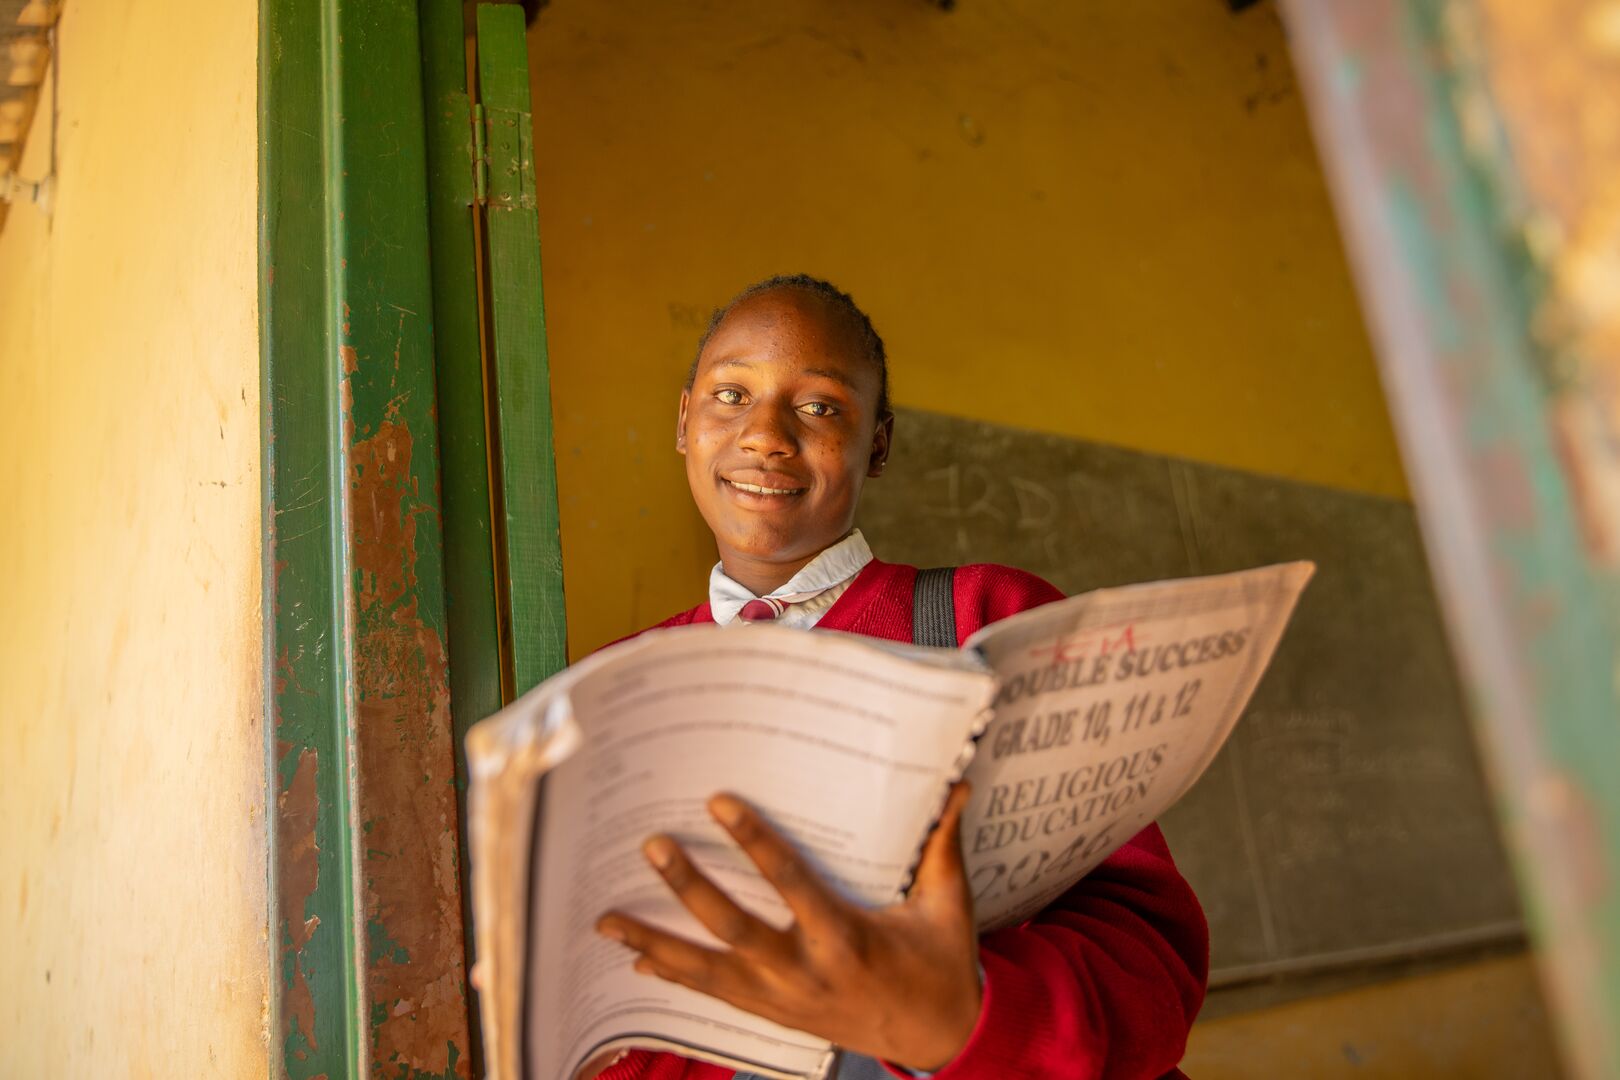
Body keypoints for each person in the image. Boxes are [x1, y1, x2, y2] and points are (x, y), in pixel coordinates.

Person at [587, 275, 1208, 1080]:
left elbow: (1147, 957)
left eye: (819, 406)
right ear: (684, 423)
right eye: (730, 394)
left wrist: (961, 1019)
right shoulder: (619, 686)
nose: (765, 435)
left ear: (876, 444)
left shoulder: (991, 620)